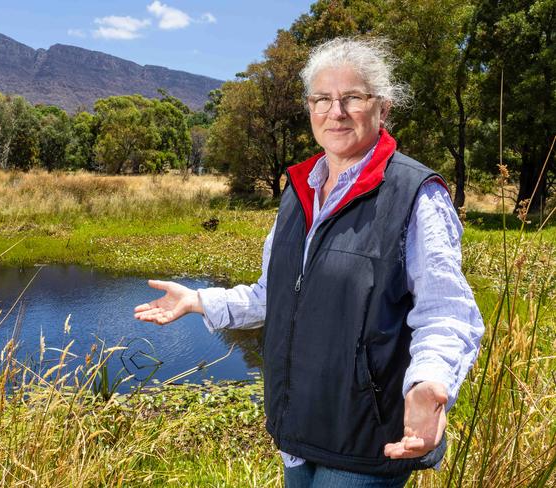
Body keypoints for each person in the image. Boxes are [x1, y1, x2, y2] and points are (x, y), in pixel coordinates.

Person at [134, 37, 484, 488]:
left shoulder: (415, 195)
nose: (335, 112)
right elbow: (273, 295)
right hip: (295, 429)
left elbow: (446, 313)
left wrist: (429, 383)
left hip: (363, 439)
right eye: (322, 99)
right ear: (310, 108)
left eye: (352, 98)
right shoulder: (298, 192)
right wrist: (198, 299)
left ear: (384, 108)